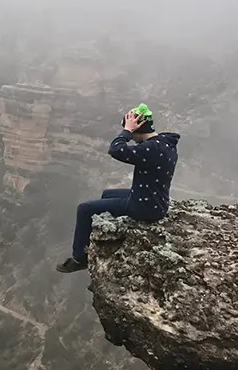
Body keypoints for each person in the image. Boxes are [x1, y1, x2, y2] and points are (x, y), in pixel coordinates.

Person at [57, 104, 180, 273]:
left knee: (84, 209)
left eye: (132, 131)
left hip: (144, 207)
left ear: (138, 129)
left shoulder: (151, 149)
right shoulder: (165, 142)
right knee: (107, 194)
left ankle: (79, 259)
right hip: (155, 199)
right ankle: (101, 236)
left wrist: (127, 131)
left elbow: (116, 150)